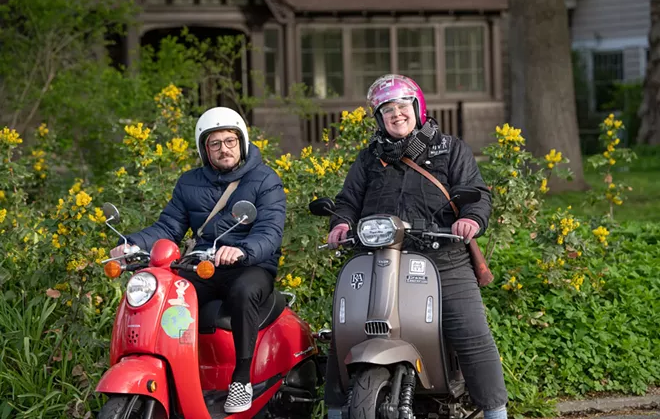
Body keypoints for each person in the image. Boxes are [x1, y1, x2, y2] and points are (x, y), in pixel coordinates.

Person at [323, 74, 508, 419]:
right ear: (380, 118)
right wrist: (341, 223)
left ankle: (496, 412)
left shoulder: (450, 149)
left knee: (471, 333)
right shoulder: (369, 158)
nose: (396, 114)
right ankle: (335, 411)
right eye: (387, 109)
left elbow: (477, 194)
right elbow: (347, 200)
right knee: (344, 333)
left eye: (403, 106)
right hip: (378, 256)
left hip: (443, 255)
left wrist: (470, 219)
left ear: (417, 107)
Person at [110, 106, 286, 414]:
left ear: (241, 141)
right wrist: (131, 244)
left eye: (230, 141)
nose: (224, 149)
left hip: (251, 265)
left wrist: (243, 250)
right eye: (214, 143)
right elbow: (169, 227)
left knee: (243, 292)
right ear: (204, 149)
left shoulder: (264, 179)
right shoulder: (189, 182)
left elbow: (270, 231)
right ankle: (174, 371)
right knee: (167, 293)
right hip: (204, 266)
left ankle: (241, 378)